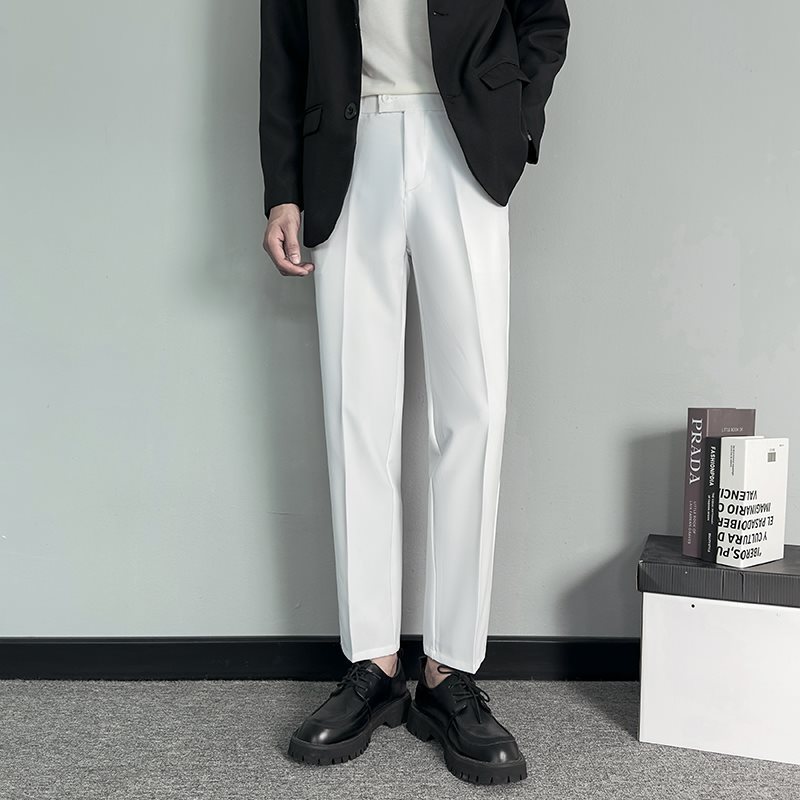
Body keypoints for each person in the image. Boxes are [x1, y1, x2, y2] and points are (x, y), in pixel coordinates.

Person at [260, 0, 569, 785]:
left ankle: (449, 671)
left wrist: (518, 121)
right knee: (354, 414)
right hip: (344, 144)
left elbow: (544, 17)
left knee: (474, 413)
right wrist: (282, 187)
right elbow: (284, 43)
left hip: (464, 140)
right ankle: (371, 662)